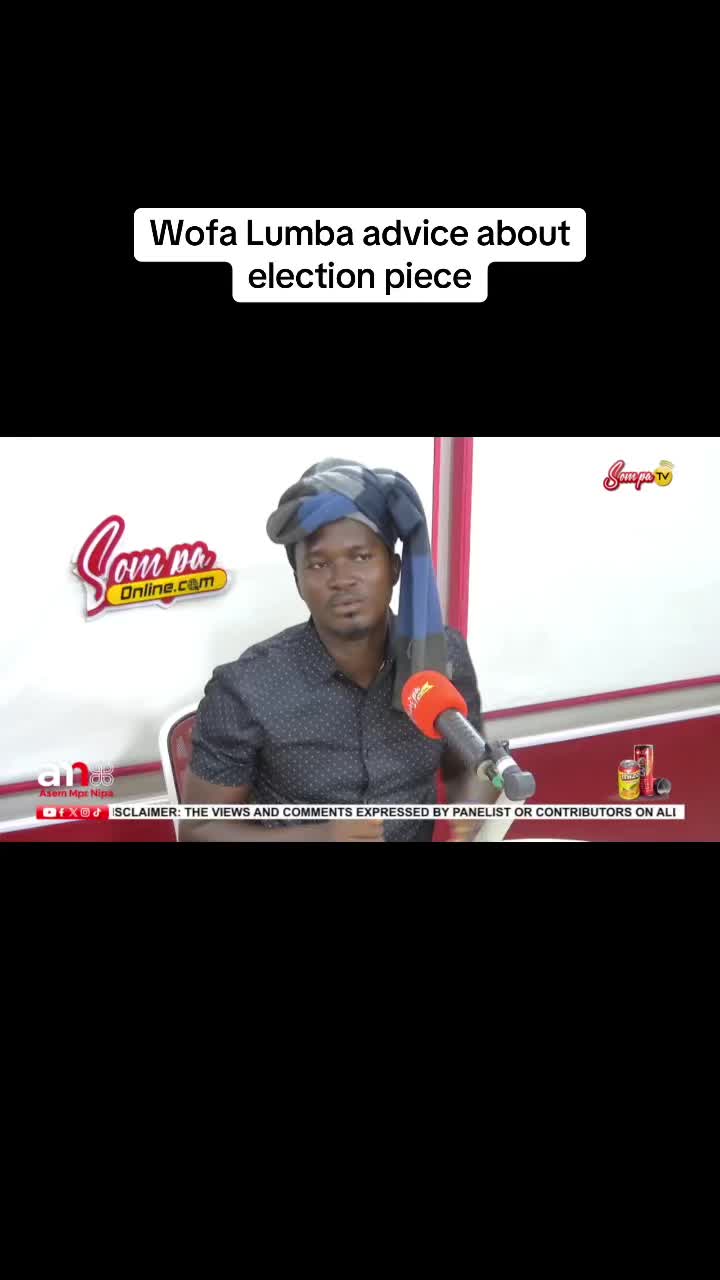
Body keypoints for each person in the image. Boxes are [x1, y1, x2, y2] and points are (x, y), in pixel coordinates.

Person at [179, 458, 488, 843]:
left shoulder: (443, 658)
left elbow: (465, 768)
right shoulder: (246, 689)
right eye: (319, 564)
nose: (342, 580)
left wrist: (473, 809)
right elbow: (198, 830)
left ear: (394, 568)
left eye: (361, 557)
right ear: (298, 581)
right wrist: (320, 836)